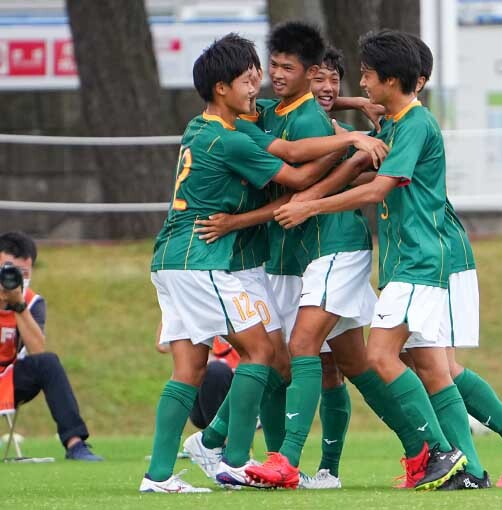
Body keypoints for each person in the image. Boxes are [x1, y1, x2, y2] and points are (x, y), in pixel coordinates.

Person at [251, 28, 468, 491]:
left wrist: (307, 201)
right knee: (362, 363)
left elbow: (367, 184)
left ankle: (284, 459)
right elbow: (315, 156)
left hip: (375, 251)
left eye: (347, 79)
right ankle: (425, 453)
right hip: (365, 257)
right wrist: (351, 125)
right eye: (276, 68)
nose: (336, 88)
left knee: (324, 348)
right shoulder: (300, 117)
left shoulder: (406, 124)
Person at [140, 34, 346, 493]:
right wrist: (347, 143)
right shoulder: (226, 139)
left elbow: (283, 145)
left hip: (174, 257)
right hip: (202, 259)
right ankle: (233, 460)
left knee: (190, 370)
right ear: (221, 88)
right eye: (247, 81)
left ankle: (158, 474)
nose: (257, 88)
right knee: (262, 353)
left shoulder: (202, 127)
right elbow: (294, 173)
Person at [406, 34, 502, 489]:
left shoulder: (416, 123)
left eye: (368, 74)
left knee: (431, 364)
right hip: (424, 256)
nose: (362, 82)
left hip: (440, 257)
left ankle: (471, 465)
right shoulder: (396, 120)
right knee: (426, 361)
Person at [0, 231, 102, 461]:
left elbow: (37, 350)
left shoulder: (33, 302)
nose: (12, 277)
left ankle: (75, 443)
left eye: (21, 273)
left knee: (48, 363)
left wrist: (19, 307)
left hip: (9, 380)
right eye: (7, 270)